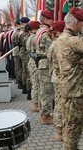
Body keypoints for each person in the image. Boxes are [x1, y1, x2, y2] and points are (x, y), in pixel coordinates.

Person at [53, 7, 83, 150]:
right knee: (73, 130)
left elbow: (56, 66)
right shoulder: (74, 41)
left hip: (67, 89)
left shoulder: (59, 40)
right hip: (75, 92)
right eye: (82, 23)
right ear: (76, 23)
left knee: (69, 127)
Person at [47, 21, 65, 141]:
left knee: (58, 102)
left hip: (55, 76)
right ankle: (59, 131)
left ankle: (58, 130)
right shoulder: (60, 43)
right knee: (60, 104)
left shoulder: (53, 44)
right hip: (61, 78)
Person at [35, 10, 54, 124]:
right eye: (51, 19)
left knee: (43, 89)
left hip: (41, 64)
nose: (53, 21)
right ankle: (46, 116)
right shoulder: (46, 33)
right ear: (46, 20)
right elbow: (50, 49)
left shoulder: (39, 31)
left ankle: (44, 113)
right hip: (45, 64)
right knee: (47, 91)